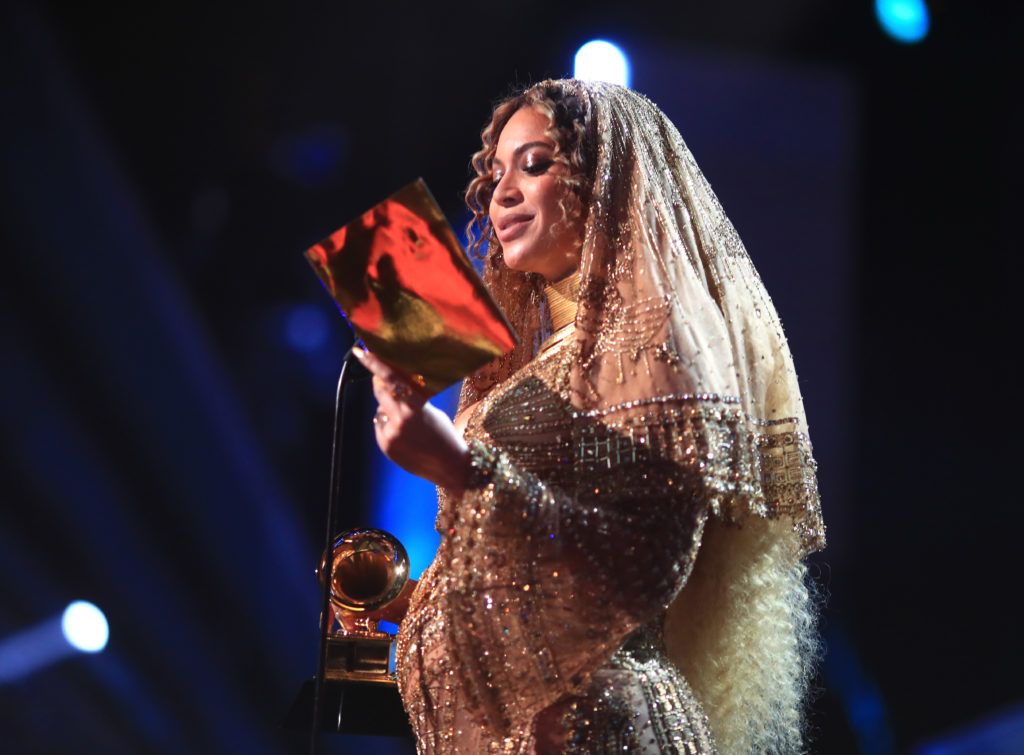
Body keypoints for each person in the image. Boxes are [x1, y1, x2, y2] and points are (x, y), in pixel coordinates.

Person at [353, 79, 826, 754]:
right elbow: (540, 559)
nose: (502, 192)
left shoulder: (659, 340)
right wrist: (420, 602)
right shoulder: (542, 362)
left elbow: (639, 559)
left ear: (608, 180)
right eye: (494, 174)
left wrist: (458, 466)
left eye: (536, 164)